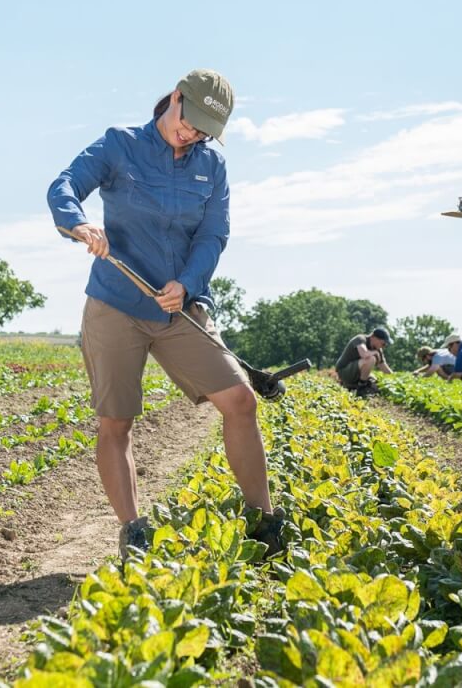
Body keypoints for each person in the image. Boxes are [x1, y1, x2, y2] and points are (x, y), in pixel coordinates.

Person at [47, 69, 285, 561]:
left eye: (203, 129)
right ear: (175, 99)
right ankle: (133, 530)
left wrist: (188, 283)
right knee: (117, 422)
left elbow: (213, 234)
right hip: (116, 303)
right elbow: (66, 183)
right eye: (189, 120)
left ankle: (264, 519)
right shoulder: (120, 145)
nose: (191, 133)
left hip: (181, 306)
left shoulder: (211, 165)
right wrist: (78, 223)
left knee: (240, 400)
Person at [335, 327, 393, 396]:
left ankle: (353, 385)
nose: (383, 346)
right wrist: (375, 353)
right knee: (371, 359)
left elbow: (384, 367)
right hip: (344, 372)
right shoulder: (360, 339)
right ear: (374, 337)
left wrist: (396, 379)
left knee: (376, 381)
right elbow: (364, 354)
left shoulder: (377, 350)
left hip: (355, 373)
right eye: (383, 344)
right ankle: (361, 388)